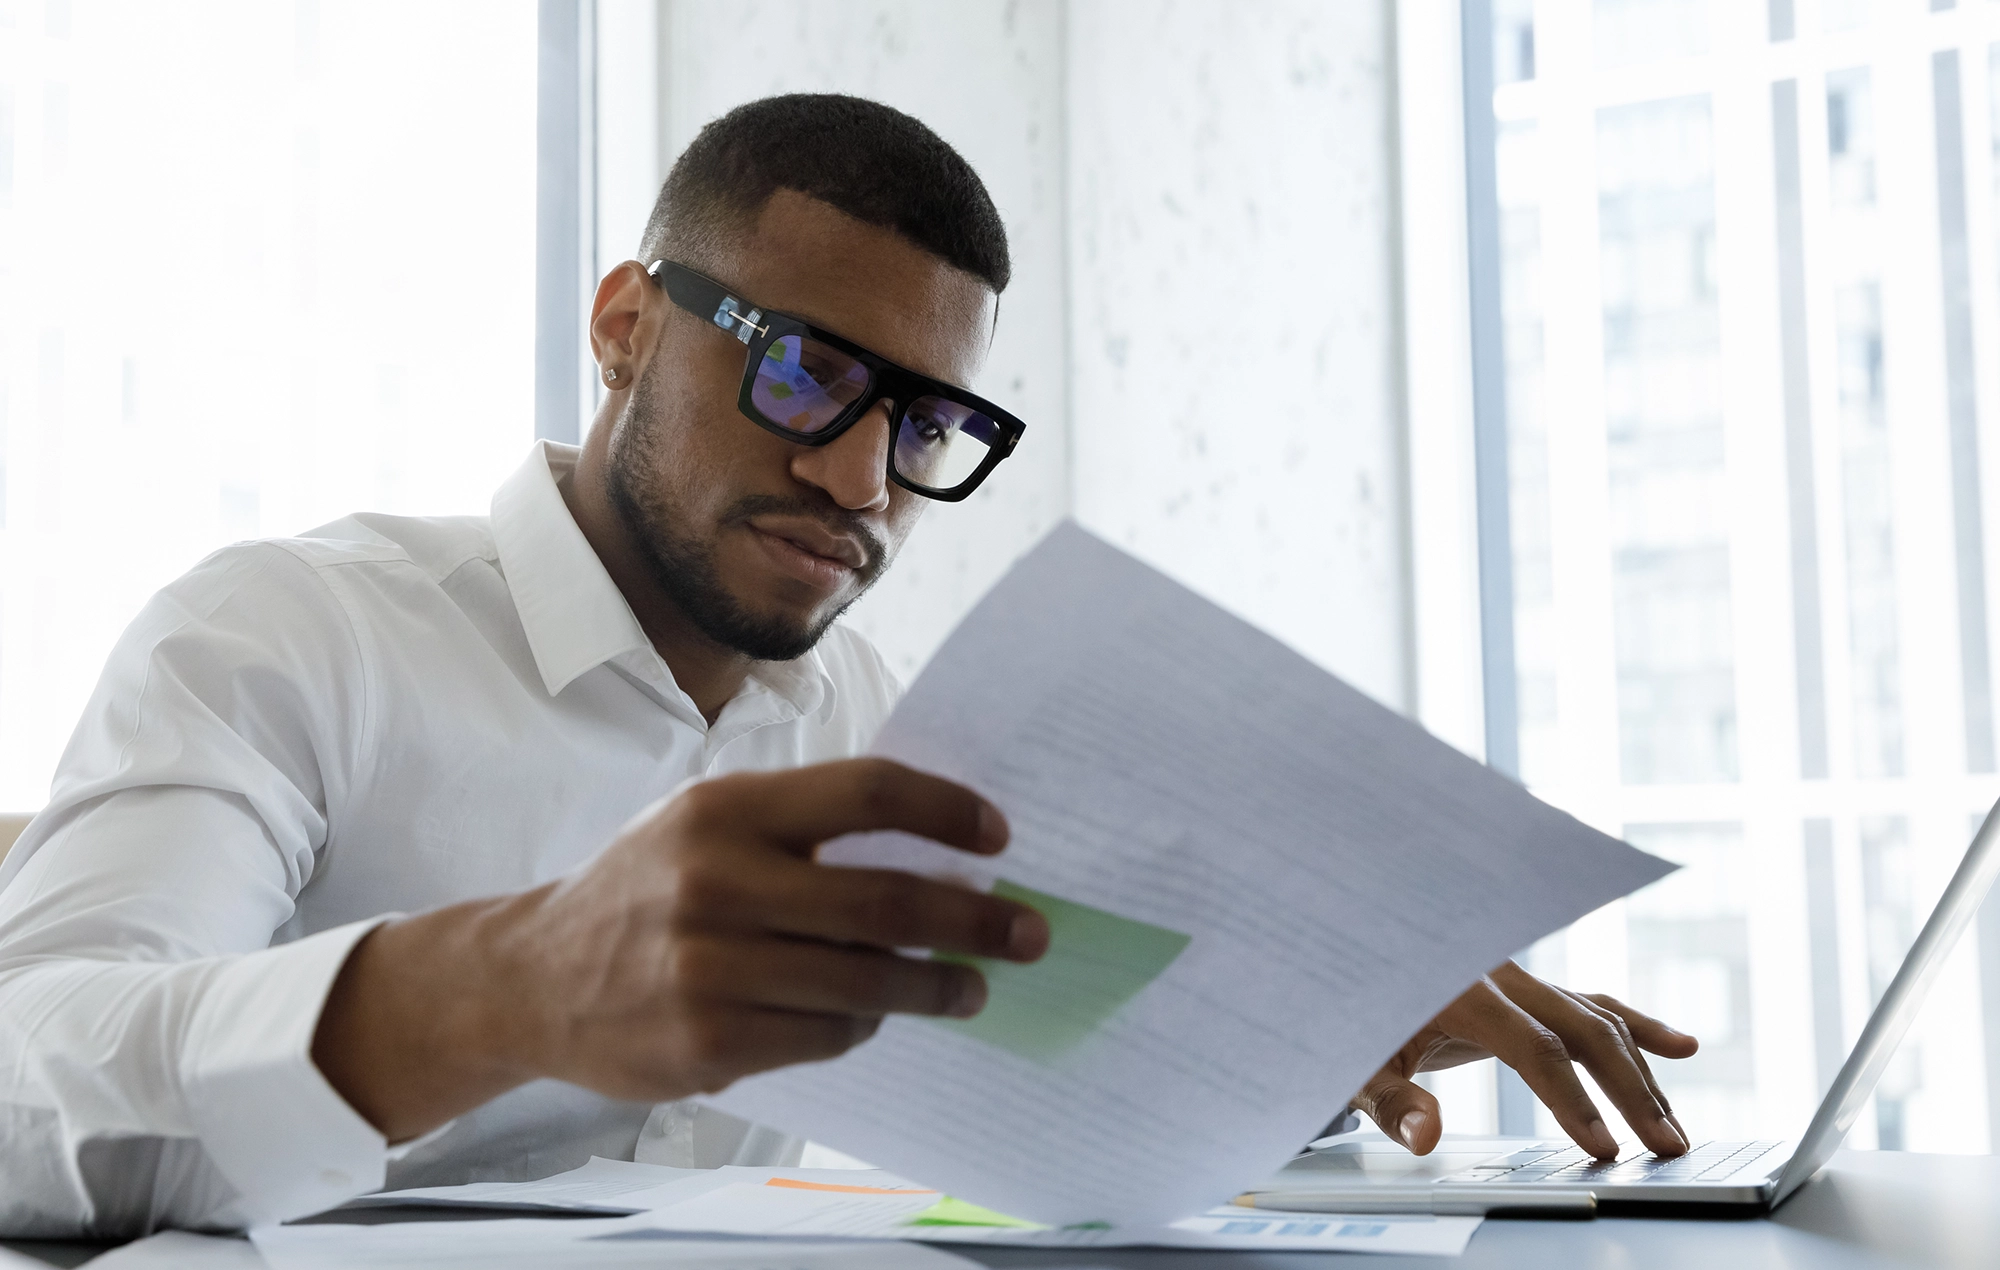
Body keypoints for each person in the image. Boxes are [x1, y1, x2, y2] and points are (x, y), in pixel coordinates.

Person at [0, 94, 1698, 1239]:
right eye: (807, 375)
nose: (863, 483)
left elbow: (1030, 1051)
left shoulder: (874, 716)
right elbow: (24, 1084)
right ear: (623, 326)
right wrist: (510, 978)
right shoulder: (288, 635)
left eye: (930, 421)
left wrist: (1311, 1022)